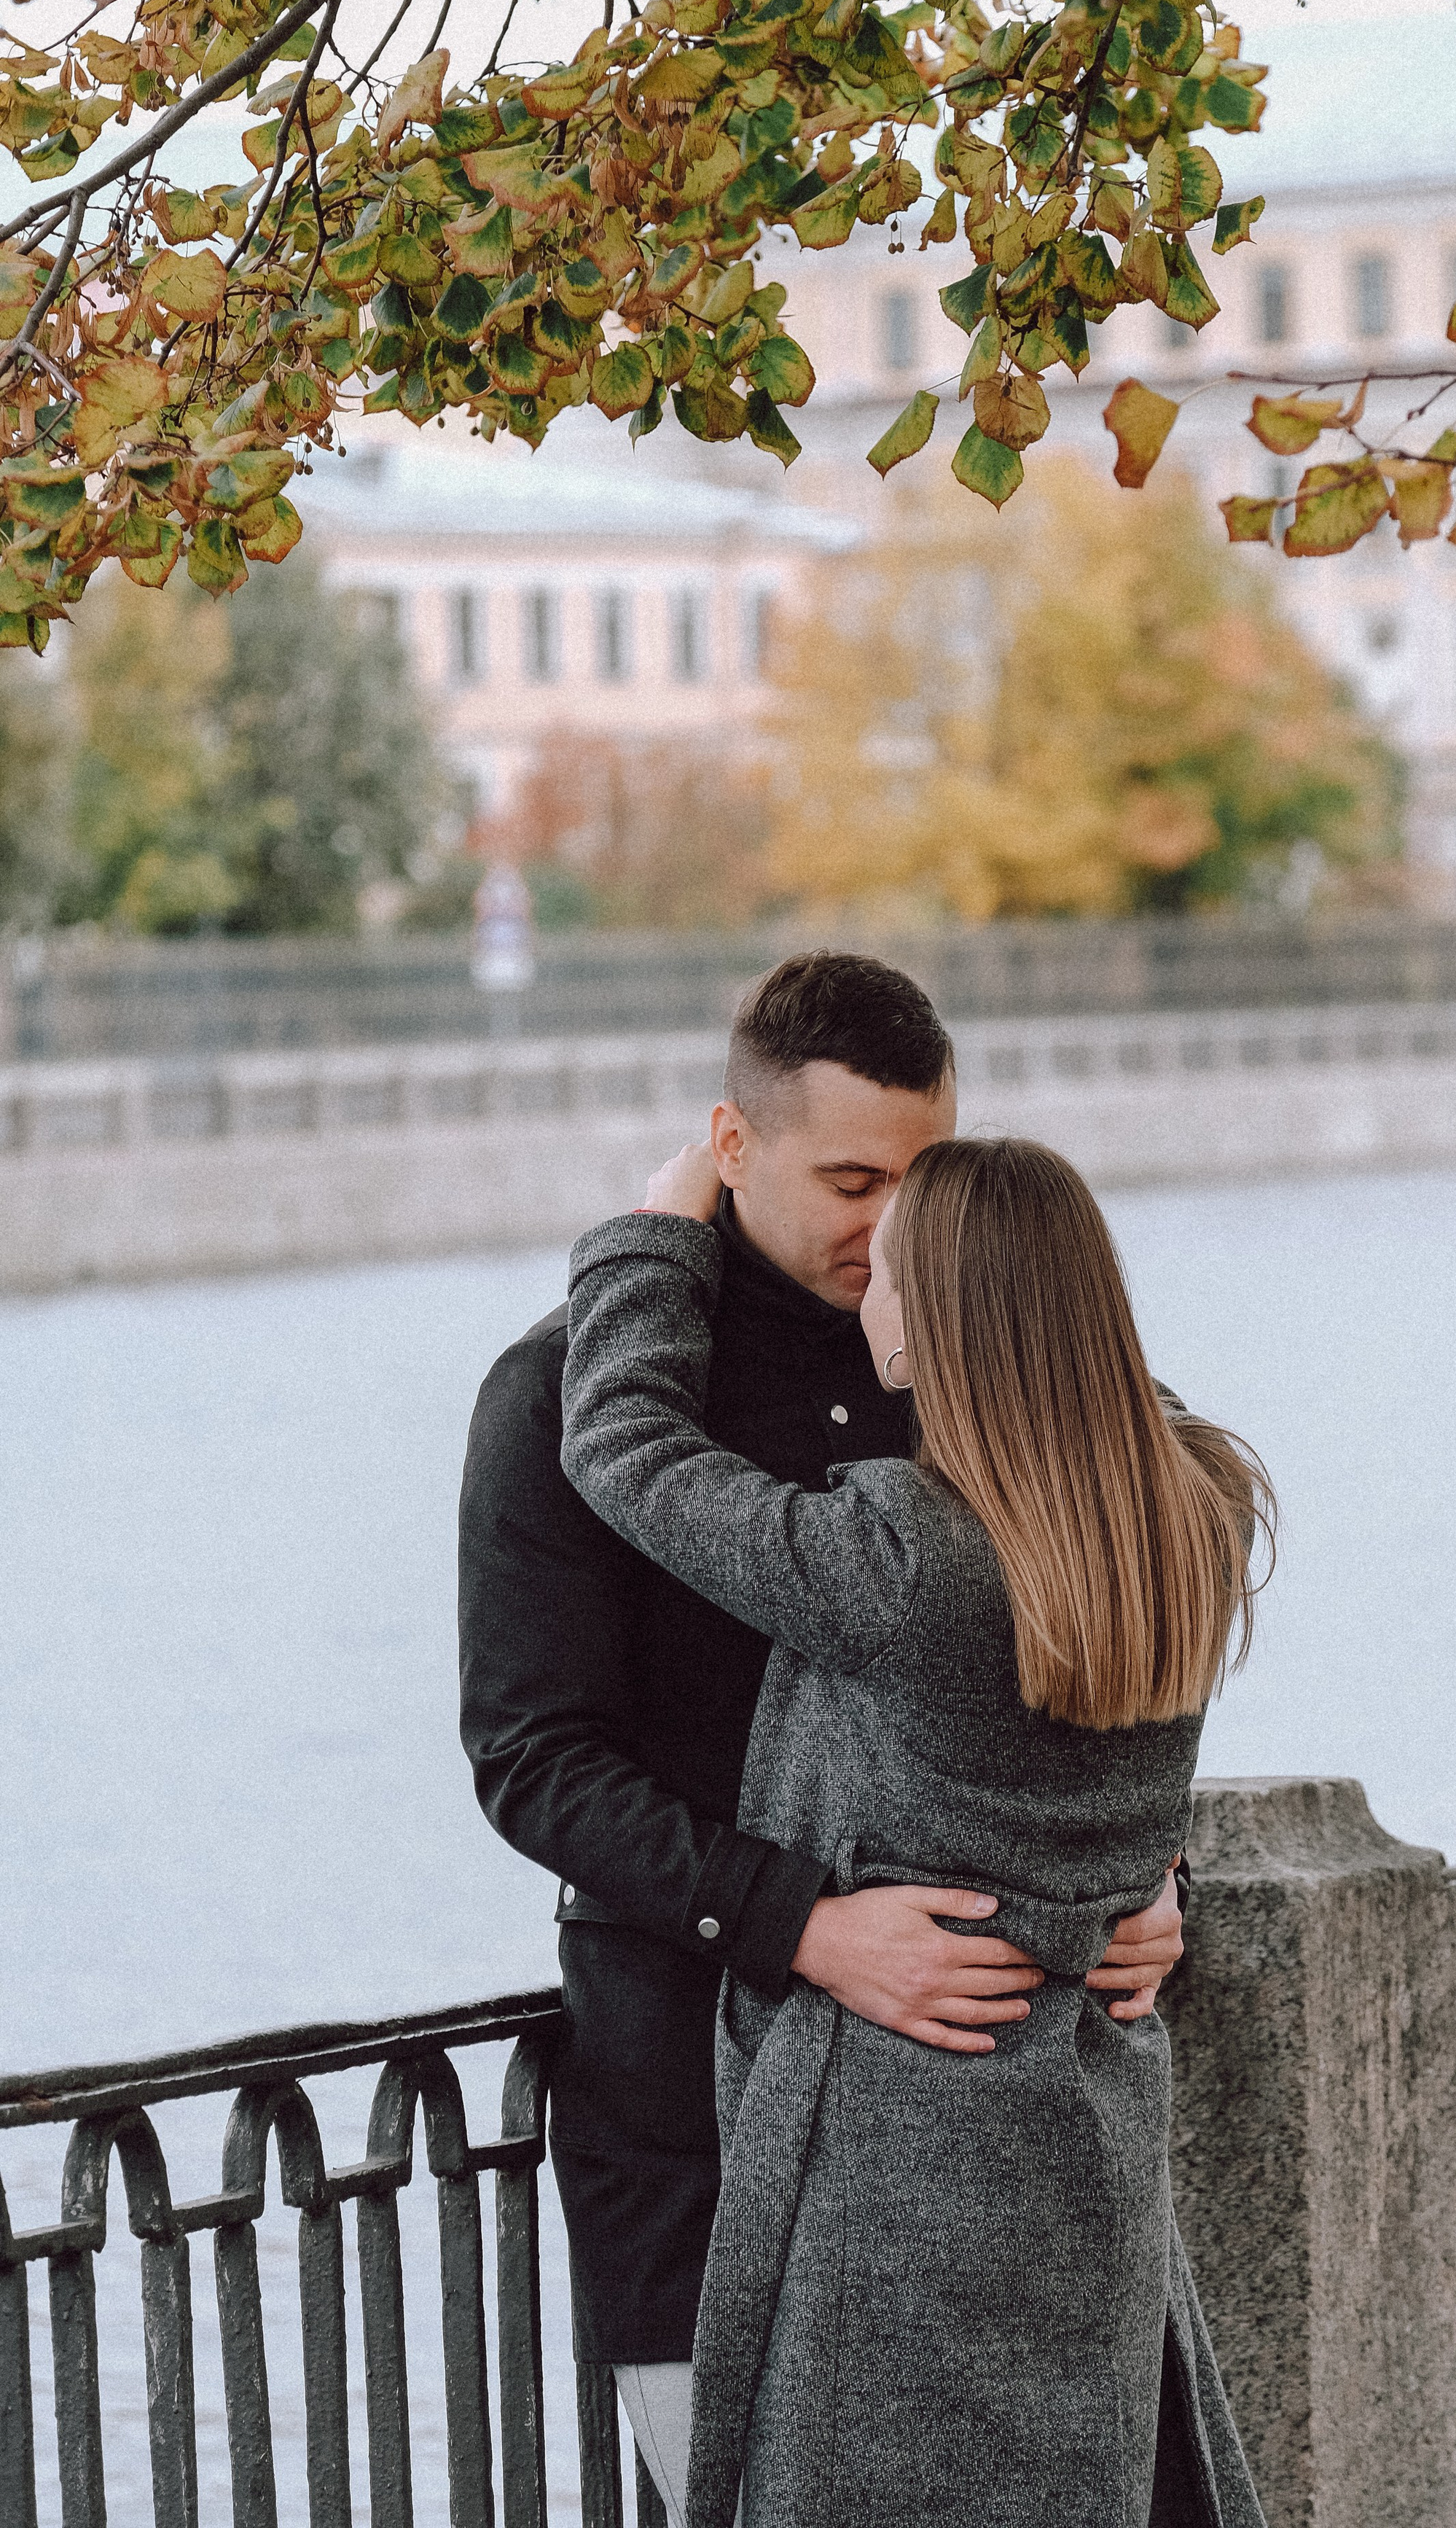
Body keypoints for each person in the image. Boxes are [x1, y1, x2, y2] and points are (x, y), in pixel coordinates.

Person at [456, 957, 1187, 2473]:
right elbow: (535, 1765)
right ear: (733, 1145)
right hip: (693, 2109)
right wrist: (800, 1924)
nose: (893, 1226)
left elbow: (1112, 1643)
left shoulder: (990, 1370)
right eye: (853, 1179)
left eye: (925, 1184)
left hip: (1015, 2133)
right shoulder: (563, 1391)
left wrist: (1156, 1880)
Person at [560, 1131, 1276, 2528]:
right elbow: (1111, 1414)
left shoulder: (899, 1555)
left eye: (892, 1274)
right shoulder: (1197, 1506)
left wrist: (655, 1236)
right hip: (1090, 2126)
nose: (866, 1300)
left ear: (941, 1315)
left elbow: (624, 1445)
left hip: (897, 2156)